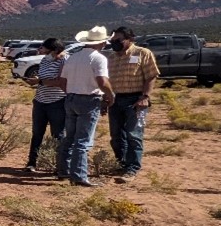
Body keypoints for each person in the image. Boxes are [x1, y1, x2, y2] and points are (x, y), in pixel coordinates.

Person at [57, 26, 115, 187]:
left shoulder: (72, 58)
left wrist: (71, 92)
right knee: (82, 140)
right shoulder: (98, 58)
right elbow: (102, 82)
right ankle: (79, 176)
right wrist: (110, 96)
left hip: (71, 98)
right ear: (102, 42)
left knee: (69, 137)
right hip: (89, 100)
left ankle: (63, 170)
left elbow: (62, 81)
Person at [106, 26, 159, 182]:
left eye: (118, 40)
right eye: (112, 40)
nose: (114, 43)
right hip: (115, 99)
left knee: (133, 135)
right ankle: (121, 162)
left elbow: (151, 77)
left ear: (130, 39)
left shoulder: (143, 53)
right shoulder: (111, 57)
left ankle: (132, 168)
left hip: (135, 99)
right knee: (116, 135)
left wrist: (145, 96)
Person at [25, 38, 68, 173]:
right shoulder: (45, 60)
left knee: (58, 135)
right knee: (37, 133)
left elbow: (60, 82)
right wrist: (38, 81)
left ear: (54, 50)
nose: (42, 50)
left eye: (45, 48)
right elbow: (45, 79)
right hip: (40, 101)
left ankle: (60, 165)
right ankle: (32, 162)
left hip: (57, 102)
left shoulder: (65, 60)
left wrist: (42, 82)